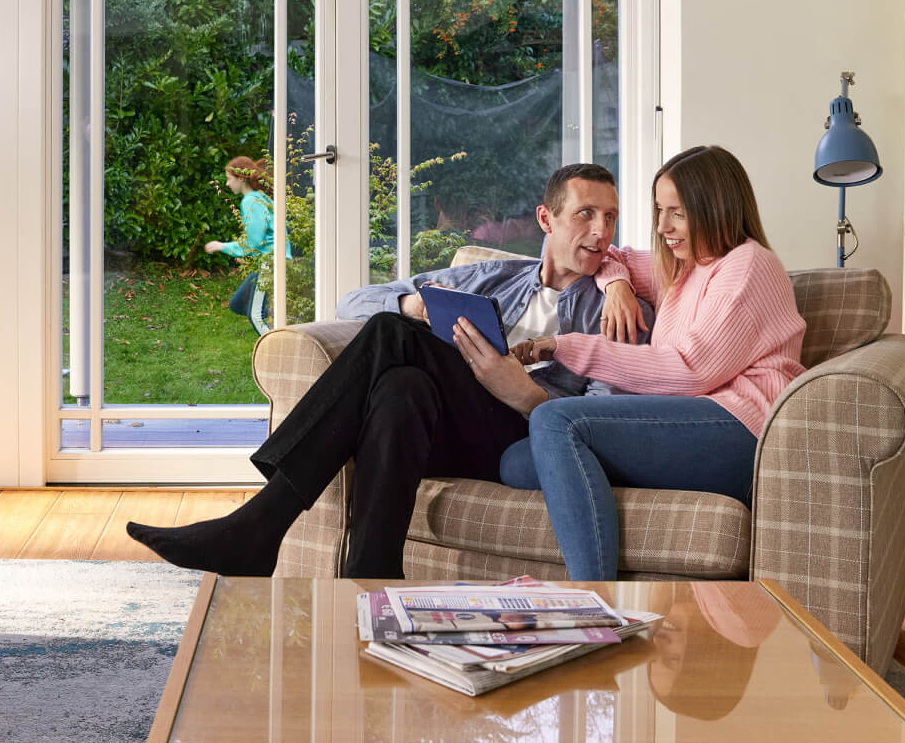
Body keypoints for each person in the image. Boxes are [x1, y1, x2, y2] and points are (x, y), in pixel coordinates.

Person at [126, 163, 654, 578]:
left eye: (609, 217)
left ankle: (260, 524)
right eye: (585, 214)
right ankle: (372, 572)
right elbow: (354, 300)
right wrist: (414, 307)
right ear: (547, 219)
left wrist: (526, 396)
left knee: (389, 337)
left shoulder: (614, 309)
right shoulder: (497, 275)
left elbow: (608, 421)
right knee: (402, 382)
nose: (600, 230)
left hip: (522, 436)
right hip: (445, 425)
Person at [455, 145, 807, 581]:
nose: (662, 227)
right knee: (519, 462)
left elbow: (690, 371)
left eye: (676, 213)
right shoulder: (684, 264)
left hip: (742, 429)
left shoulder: (748, 265)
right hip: (691, 425)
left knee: (554, 422)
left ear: (714, 207)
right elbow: (610, 256)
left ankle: (595, 599)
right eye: (659, 211)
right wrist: (618, 285)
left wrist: (566, 346)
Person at [204, 156, 293, 335]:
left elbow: (254, 242)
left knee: (256, 316)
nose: (227, 184)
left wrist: (222, 246)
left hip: (271, 261)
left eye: (229, 179)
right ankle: (286, 324)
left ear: (241, 178)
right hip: (270, 260)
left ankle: (278, 349)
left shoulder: (251, 201)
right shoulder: (259, 197)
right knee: (238, 303)